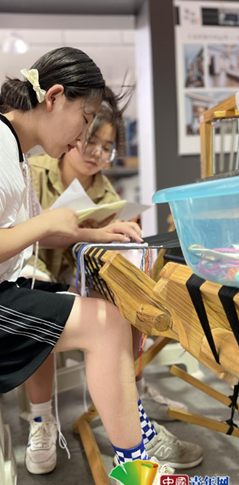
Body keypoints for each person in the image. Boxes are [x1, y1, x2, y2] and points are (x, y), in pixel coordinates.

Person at [0, 47, 218, 485]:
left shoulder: (7, 145)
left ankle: (134, 435)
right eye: (83, 120)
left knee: (106, 308)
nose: (82, 138)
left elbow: (16, 234)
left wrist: (88, 231)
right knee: (103, 323)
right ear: (55, 96)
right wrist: (46, 223)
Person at [24, 102, 188, 427]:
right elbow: (17, 231)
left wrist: (121, 235)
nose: (97, 154)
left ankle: (133, 396)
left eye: (107, 148)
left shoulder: (108, 195)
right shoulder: (34, 171)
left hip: (76, 276)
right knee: (37, 296)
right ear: (74, 135)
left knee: (127, 297)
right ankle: (41, 417)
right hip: (30, 268)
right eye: (91, 141)